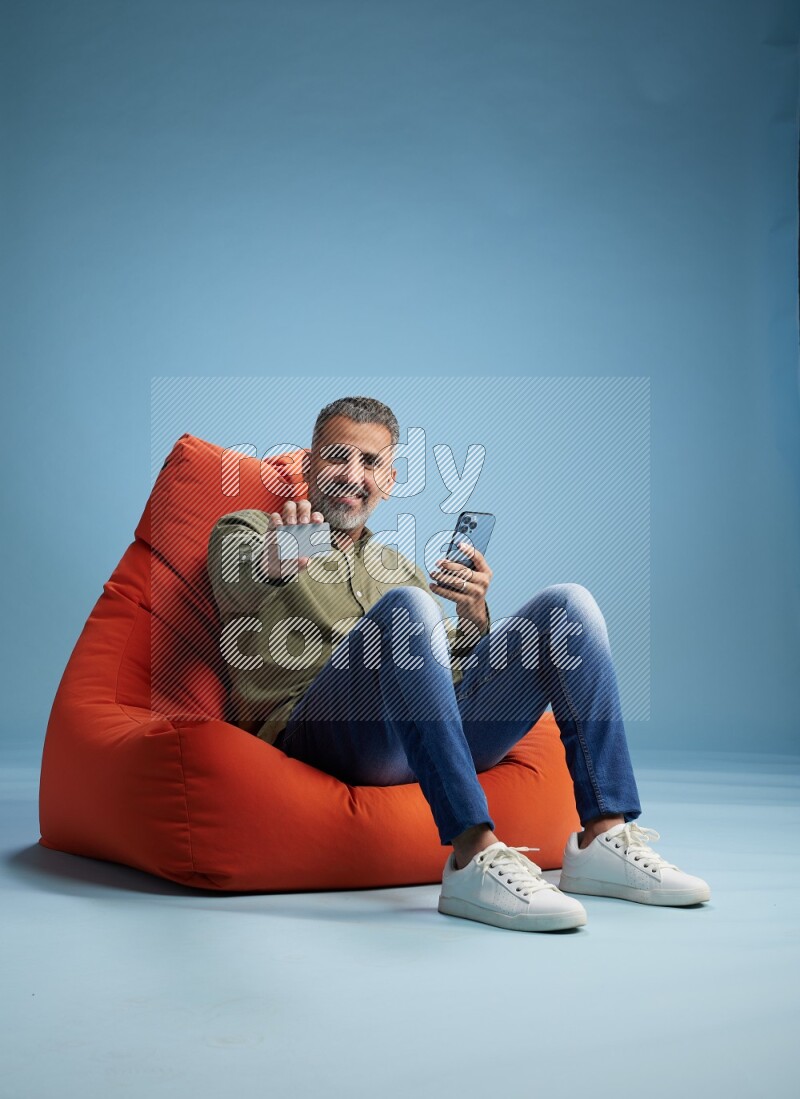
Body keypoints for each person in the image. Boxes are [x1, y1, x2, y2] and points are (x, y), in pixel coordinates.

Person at [207, 395, 711, 933]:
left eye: (371, 463)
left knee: (568, 605)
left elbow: (451, 672)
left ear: (390, 479)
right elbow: (236, 585)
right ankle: (473, 854)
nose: (353, 475)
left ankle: (603, 836)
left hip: (426, 737)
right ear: (309, 465)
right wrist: (276, 564)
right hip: (325, 735)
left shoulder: (396, 566)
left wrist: (474, 618)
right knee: (409, 609)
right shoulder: (253, 529)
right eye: (337, 457)